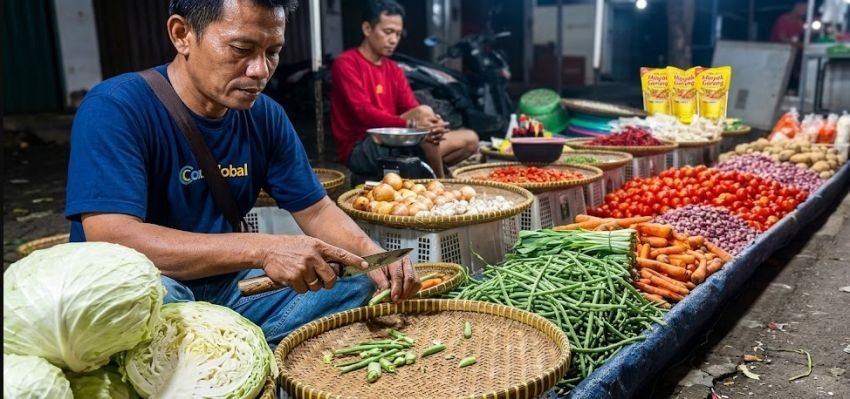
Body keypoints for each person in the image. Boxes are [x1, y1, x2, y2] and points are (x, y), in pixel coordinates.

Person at [64, 0, 420, 346]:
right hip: (151, 285)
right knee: (153, 299)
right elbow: (112, 236)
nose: (260, 70)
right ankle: (230, 345)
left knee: (358, 280)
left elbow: (315, 210)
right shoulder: (116, 108)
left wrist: (371, 256)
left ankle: (225, 346)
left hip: (230, 287)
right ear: (182, 34)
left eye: (273, 52)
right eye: (241, 49)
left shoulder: (265, 115)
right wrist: (263, 249)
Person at [330, 0, 479, 180]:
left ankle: (426, 172)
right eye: (388, 32)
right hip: (361, 148)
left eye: (398, 34)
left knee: (470, 139)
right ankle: (440, 181)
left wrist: (433, 124)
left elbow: (412, 107)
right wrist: (412, 125)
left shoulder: (393, 69)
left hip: (395, 141)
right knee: (423, 115)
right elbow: (364, 113)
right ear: (367, 29)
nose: (393, 40)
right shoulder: (346, 63)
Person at [770, 2, 808, 94]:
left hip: (794, 56)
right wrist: (799, 45)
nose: (805, 12)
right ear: (797, 6)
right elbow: (782, 38)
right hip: (780, 55)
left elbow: (803, 36)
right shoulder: (783, 19)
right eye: (804, 9)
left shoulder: (800, 23)